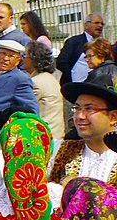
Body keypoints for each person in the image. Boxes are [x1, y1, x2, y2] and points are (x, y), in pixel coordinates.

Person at [50, 62, 117, 190]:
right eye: (77, 108)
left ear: (113, 117)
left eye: (89, 109)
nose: (80, 116)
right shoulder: (61, 151)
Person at [57, 12, 105, 109]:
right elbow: (61, 62)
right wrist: (73, 77)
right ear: (86, 25)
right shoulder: (74, 42)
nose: (100, 26)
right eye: (96, 23)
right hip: (75, 89)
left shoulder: (102, 44)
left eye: (102, 24)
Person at [23, 40, 65, 141]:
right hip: (56, 134)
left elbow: (25, 109)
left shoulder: (36, 82)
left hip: (45, 138)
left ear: (33, 59)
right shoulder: (50, 78)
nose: (22, 59)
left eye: (25, 56)